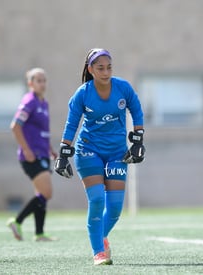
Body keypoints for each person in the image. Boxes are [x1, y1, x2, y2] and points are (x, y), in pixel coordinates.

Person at [54, 48, 146, 265]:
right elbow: (71, 124)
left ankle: (100, 236)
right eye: (100, 68)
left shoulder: (123, 88)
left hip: (117, 153)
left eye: (109, 67)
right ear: (90, 70)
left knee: (114, 208)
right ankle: (98, 252)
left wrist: (138, 140)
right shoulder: (82, 94)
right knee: (96, 200)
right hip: (88, 150)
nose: (106, 72)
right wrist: (63, 153)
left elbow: (137, 109)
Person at [7, 67, 58, 242]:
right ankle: (17, 220)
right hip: (31, 156)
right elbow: (15, 126)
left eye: (44, 80)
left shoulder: (44, 103)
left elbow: (42, 130)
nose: (43, 84)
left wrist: (50, 149)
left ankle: (39, 233)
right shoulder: (29, 102)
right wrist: (26, 149)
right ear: (30, 83)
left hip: (42, 153)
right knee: (47, 192)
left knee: (41, 194)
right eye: (38, 80)